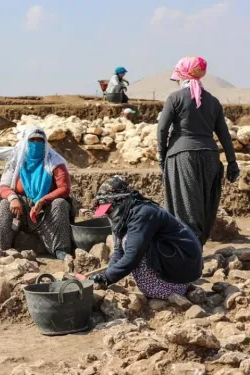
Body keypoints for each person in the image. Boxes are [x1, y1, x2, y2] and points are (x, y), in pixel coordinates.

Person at [158, 56, 239, 246]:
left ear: (183, 75)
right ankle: (197, 248)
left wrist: (162, 156)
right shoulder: (213, 100)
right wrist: (232, 162)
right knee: (205, 205)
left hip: (183, 156)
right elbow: (224, 134)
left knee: (185, 207)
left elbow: (162, 129)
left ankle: (188, 256)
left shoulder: (175, 98)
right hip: (210, 157)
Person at [89, 176, 202, 299]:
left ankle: (166, 289)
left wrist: (107, 278)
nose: (107, 214)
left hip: (183, 264)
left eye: (108, 210)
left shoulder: (142, 213)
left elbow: (132, 255)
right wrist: (106, 277)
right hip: (173, 260)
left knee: (130, 241)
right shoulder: (125, 215)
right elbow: (118, 251)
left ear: (120, 201)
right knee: (128, 241)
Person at [0, 126, 73, 259]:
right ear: (25, 142)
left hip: (45, 211)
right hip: (21, 211)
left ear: (45, 142)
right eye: (32, 140)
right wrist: (13, 198)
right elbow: (4, 186)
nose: (36, 143)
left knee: (60, 203)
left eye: (39, 140)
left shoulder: (54, 161)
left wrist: (43, 200)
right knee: (4, 204)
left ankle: (60, 249)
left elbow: (64, 188)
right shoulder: (16, 160)